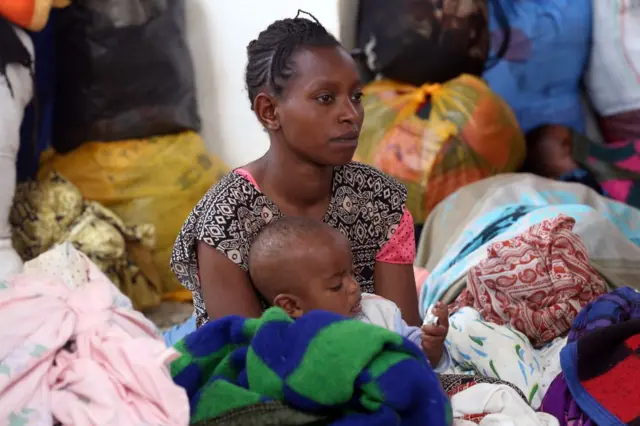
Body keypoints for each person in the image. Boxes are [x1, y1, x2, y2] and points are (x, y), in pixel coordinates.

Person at [171, 13, 422, 329]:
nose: (351, 115)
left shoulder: (380, 200)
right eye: (325, 98)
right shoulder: (226, 218)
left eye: (356, 96)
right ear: (270, 112)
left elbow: (406, 337)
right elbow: (244, 357)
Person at [249, 216, 450, 370]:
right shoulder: (290, 346)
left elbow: (419, 358)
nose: (354, 287)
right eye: (337, 285)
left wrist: (431, 346)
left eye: (352, 274)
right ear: (291, 306)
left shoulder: (378, 312)